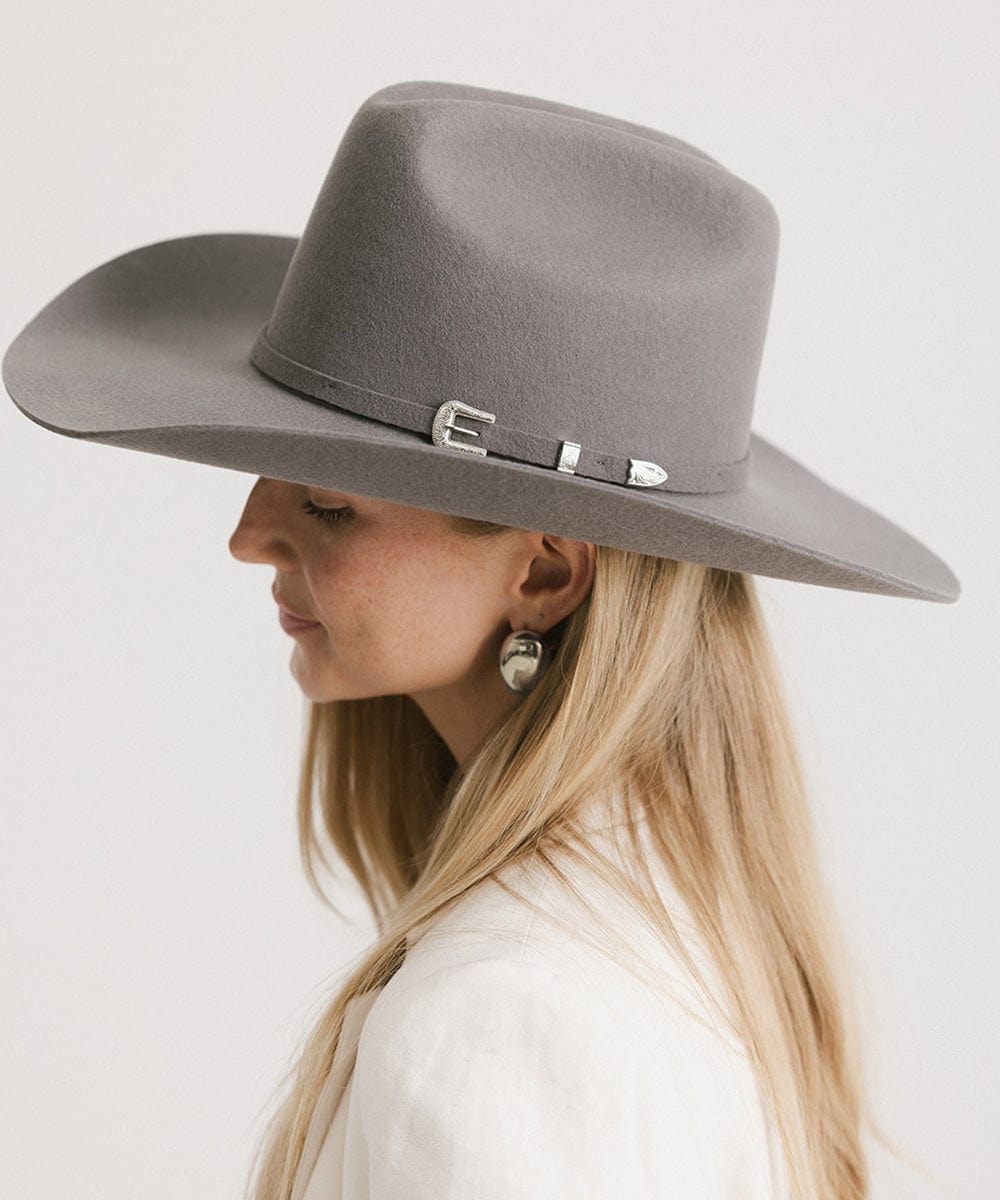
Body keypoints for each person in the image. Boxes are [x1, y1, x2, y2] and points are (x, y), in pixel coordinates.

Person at [2, 80, 960, 1200]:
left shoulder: (500, 1029)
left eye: (327, 503)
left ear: (545, 572)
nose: (246, 536)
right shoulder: (672, 940)